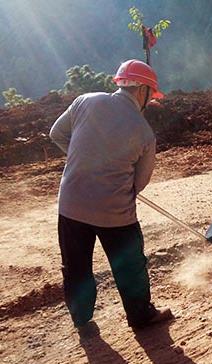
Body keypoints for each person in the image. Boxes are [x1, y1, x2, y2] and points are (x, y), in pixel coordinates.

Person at [49, 59, 173, 330]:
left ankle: (81, 319)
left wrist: (82, 159)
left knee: (76, 266)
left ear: (120, 83)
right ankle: (141, 316)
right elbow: (139, 185)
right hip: (115, 213)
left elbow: (56, 133)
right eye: (151, 95)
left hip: (71, 205)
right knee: (130, 266)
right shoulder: (144, 133)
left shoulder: (85, 101)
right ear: (142, 91)